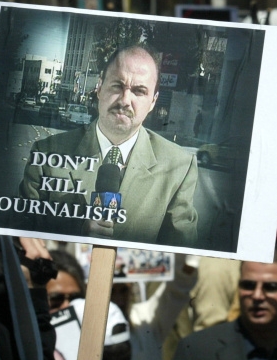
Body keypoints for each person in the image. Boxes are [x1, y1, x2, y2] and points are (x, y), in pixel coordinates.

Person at [19, 45, 198, 246]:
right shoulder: (46, 153)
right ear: (100, 88)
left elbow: (180, 255)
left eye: (139, 91)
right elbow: (22, 237)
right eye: (117, 86)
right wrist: (74, 236)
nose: (125, 100)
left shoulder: (180, 167)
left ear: (153, 102)